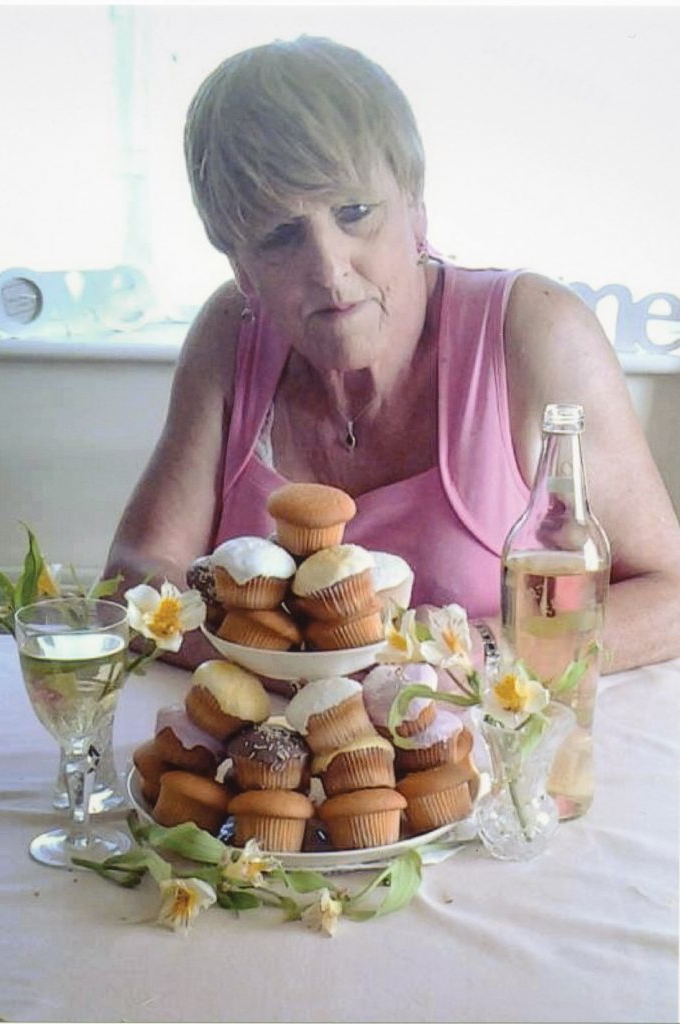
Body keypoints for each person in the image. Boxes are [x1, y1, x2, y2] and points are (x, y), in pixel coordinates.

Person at [104, 35, 680, 674]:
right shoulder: (229, 331)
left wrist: (465, 652)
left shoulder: (535, 330)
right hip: (263, 763)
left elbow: (669, 593)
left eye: (355, 213)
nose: (329, 268)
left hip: (496, 759)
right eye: (279, 236)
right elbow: (135, 571)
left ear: (416, 208)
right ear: (241, 266)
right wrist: (295, 658)